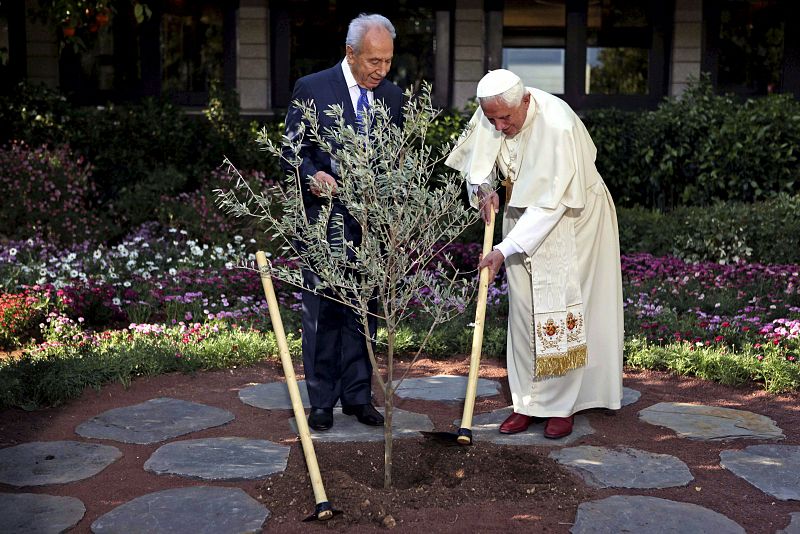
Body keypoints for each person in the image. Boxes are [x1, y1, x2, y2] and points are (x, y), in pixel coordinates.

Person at [445, 69, 624, 439]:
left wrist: (502, 250)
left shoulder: (557, 125)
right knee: (525, 310)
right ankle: (527, 402)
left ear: (525, 102)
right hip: (519, 211)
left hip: (573, 220)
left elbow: (551, 206)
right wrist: (484, 190)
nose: (498, 125)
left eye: (505, 119)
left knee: (562, 307)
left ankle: (562, 406)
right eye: (491, 118)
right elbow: (478, 165)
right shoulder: (492, 111)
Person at [282, 13, 404, 431]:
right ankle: (321, 401)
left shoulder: (393, 97)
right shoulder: (312, 88)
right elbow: (292, 152)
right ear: (350, 53)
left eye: (387, 61)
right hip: (324, 224)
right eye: (374, 61)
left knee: (365, 311)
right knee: (323, 313)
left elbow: (397, 163)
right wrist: (312, 175)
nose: (381, 70)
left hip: (372, 227)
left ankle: (357, 397)